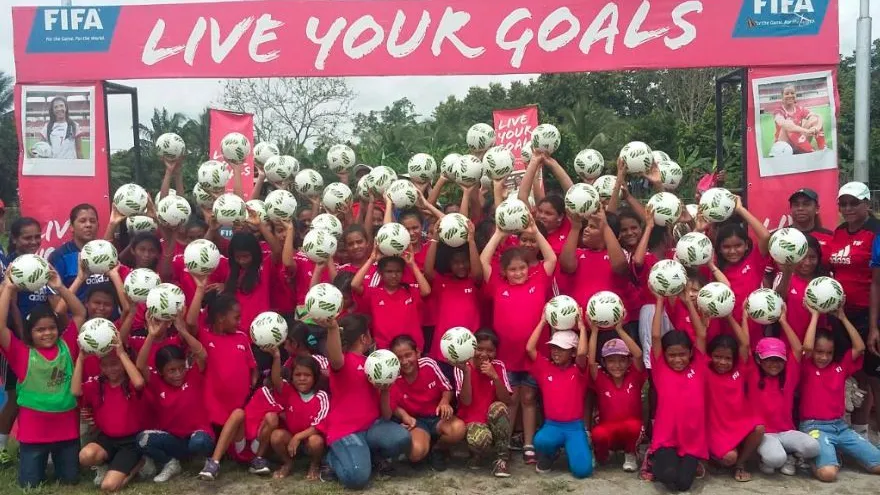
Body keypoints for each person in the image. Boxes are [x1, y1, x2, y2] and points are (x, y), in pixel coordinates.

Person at [479, 217, 556, 465]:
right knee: (509, 400)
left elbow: (551, 258)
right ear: (504, 272)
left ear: (528, 267)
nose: (518, 272)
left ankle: (528, 444)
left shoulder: (538, 279)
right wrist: (500, 233)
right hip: (507, 357)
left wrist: (534, 231)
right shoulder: (497, 285)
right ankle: (505, 445)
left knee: (529, 399)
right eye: (512, 269)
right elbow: (483, 260)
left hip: (533, 354)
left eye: (522, 267)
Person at [0, 269, 85, 488]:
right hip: (34, 433)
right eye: (40, 330)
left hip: (66, 430)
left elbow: (79, 314)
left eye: (51, 328)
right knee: (29, 484)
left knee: (70, 481)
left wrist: (60, 287)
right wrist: (8, 288)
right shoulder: (21, 353)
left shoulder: (67, 346)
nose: (47, 333)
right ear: (30, 332)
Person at [317, 314, 411, 489]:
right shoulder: (343, 361)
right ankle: (330, 459)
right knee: (357, 478)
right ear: (364, 338)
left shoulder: (375, 364)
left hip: (371, 428)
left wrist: (385, 390)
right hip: (346, 430)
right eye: (370, 334)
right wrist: (332, 328)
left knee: (402, 438)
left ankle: (370, 456)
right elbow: (335, 358)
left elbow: (386, 414)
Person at [800, 306, 880, 481]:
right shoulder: (807, 367)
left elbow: (859, 347)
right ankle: (814, 459)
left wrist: (843, 317)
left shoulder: (840, 367)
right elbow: (806, 347)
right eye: (819, 352)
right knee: (828, 475)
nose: (823, 357)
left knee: (877, 466)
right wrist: (815, 316)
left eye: (829, 353)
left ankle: (836, 451)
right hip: (814, 427)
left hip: (841, 426)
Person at [136, 317, 215, 483]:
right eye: (171, 370)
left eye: (181, 368)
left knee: (199, 442)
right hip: (174, 439)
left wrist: (184, 332)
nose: (178, 374)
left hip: (198, 435)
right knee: (142, 439)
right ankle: (171, 463)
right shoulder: (156, 381)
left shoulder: (192, 374)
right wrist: (151, 336)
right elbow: (141, 365)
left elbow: (203, 355)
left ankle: (199, 458)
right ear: (161, 372)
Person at [829, 182, 880, 440]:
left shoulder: (876, 232)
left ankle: (872, 431)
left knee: (872, 376)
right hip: (842, 314)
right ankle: (858, 433)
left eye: (854, 203)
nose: (848, 208)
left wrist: (874, 326)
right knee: (853, 372)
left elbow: (877, 281)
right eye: (843, 203)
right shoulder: (838, 232)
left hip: (868, 314)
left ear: (866, 204)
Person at [72, 334, 147, 492]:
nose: (110, 369)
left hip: (130, 442)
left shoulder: (130, 383)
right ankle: (107, 466)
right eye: (105, 366)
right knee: (85, 456)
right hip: (107, 439)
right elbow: (75, 391)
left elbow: (140, 383)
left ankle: (138, 465)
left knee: (108, 486)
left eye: (115, 364)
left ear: (123, 364)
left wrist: (121, 353)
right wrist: (80, 359)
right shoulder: (98, 384)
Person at [0, 217, 47, 466]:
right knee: (14, 394)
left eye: (37, 236)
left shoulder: (39, 264)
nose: (33, 241)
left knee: (35, 394)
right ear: (15, 239)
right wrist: (23, 338)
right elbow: (14, 308)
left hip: (40, 338)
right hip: (18, 343)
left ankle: (35, 443)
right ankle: (1, 446)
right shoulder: (10, 267)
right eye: (27, 237)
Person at [649, 294, 708, 492]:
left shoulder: (698, 366)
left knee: (683, 485)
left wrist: (689, 302)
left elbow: (701, 335)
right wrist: (659, 300)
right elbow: (656, 336)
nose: (677, 359)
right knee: (668, 476)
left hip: (692, 440)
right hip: (667, 438)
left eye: (682, 354)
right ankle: (653, 459)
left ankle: (686, 463)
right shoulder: (661, 368)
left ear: (690, 353)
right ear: (664, 355)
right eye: (672, 355)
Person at [186, 275, 258, 435]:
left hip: (239, 404)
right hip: (214, 405)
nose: (239, 322)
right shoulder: (205, 336)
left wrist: (251, 386)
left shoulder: (242, 337)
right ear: (220, 318)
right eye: (236, 318)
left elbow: (252, 366)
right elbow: (191, 322)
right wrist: (199, 289)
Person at [751, 314, 819, 476]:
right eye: (769, 359)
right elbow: (744, 345)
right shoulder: (752, 375)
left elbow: (797, 349)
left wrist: (783, 320)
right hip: (765, 434)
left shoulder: (789, 376)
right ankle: (770, 458)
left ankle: (792, 455)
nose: (774, 364)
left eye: (779, 360)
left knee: (813, 447)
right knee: (776, 459)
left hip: (787, 431)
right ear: (759, 360)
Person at [387, 335, 465, 471]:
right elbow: (392, 404)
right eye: (399, 358)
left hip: (437, 416)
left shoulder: (428, 364)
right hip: (416, 421)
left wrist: (444, 401)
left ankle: (438, 449)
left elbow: (447, 388)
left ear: (417, 353)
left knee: (458, 429)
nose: (404, 361)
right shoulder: (392, 375)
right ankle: (425, 447)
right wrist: (405, 416)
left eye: (408, 355)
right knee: (416, 454)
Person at [527, 315, 592, 478]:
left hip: (574, 427)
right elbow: (529, 348)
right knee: (541, 441)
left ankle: (577, 449)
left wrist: (583, 328)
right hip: (552, 425)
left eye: (562, 348)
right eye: (554, 347)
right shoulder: (545, 367)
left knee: (583, 472)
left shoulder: (578, 371)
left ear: (572, 353)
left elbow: (583, 353)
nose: (555, 351)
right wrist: (542, 321)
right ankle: (549, 455)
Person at [704, 313, 764, 482]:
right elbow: (701, 337)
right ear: (710, 356)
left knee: (759, 428)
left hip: (738, 421)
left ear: (734, 359)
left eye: (727, 358)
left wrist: (731, 316)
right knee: (729, 457)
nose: (722, 362)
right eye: (717, 356)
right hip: (715, 426)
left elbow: (744, 343)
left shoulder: (739, 369)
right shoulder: (705, 370)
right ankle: (711, 456)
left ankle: (741, 463)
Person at [709, 196, 771, 346]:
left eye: (738, 245)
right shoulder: (714, 265)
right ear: (719, 249)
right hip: (722, 334)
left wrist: (740, 210)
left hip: (752, 330)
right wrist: (699, 227)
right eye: (726, 247)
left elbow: (765, 236)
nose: (733, 251)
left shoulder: (754, 261)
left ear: (747, 246)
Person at [453, 328, 513, 477]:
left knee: (499, 408)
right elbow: (466, 402)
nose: (484, 354)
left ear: (495, 352)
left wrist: (495, 377)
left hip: (491, 417)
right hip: (471, 420)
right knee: (480, 440)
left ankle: (502, 459)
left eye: (490, 350)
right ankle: (477, 455)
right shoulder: (462, 367)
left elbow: (507, 400)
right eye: (479, 349)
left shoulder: (498, 366)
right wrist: (467, 373)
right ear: (472, 348)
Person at [587, 321, 646, 472]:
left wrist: (619, 329)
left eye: (621, 360)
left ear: (628, 362)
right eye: (611, 361)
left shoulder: (634, 376)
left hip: (630, 431)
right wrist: (594, 331)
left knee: (634, 426)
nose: (617, 365)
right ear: (604, 363)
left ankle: (630, 454)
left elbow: (638, 354)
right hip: (609, 430)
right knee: (598, 433)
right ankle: (602, 455)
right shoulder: (601, 379)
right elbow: (590, 361)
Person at [351, 248, 431, 351]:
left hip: (411, 349)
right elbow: (354, 284)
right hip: (385, 350)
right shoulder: (374, 293)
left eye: (398, 271)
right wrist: (371, 259)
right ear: (380, 273)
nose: (394, 275)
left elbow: (426, 291)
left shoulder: (410, 291)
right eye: (389, 271)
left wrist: (412, 264)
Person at [269, 354, 328, 480]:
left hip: (309, 440)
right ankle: (287, 463)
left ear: (315, 377)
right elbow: (275, 379)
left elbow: (319, 425)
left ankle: (314, 465)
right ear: (292, 376)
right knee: (276, 436)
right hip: (291, 439)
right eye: (297, 375)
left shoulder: (321, 396)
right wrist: (276, 357)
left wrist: (298, 437)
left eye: (307, 375)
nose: (302, 378)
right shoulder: (289, 392)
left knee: (315, 441)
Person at [773, 234, 826, 344]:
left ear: (819, 257)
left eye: (812, 257)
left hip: (818, 346)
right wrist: (787, 273)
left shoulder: (825, 280)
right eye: (802, 257)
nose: (807, 263)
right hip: (790, 342)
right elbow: (777, 302)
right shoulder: (783, 277)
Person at [49, 203, 101, 301]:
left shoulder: (107, 252)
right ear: (71, 227)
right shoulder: (59, 256)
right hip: (73, 315)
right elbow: (55, 303)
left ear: (98, 225)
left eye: (92, 221)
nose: (88, 225)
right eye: (82, 221)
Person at [772, 84, 826, 154]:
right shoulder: (779, 111)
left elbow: (818, 117)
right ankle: (810, 151)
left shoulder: (799, 109)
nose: (790, 95)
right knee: (788, 123)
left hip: (799, 141)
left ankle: (823, 148)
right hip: (783, 146)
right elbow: (786, 125)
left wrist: (816, 129)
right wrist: (807, 131)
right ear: (782, 96)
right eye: (787, 94)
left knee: (814, 119)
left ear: (795, 95)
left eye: (792, 93)